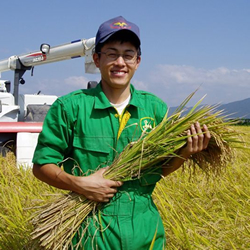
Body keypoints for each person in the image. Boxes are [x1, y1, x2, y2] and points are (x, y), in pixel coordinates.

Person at [32, 16, 211, 250]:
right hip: (89, 234)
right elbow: (41, 166)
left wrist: (186, 152)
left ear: (137, 61)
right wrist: (78, 184)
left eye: (128, 55)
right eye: (111, 53)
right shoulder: (70, 107)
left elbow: (159, 169)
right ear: (97, 59)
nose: (120, 62)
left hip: (145, 232)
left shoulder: (154, 109)